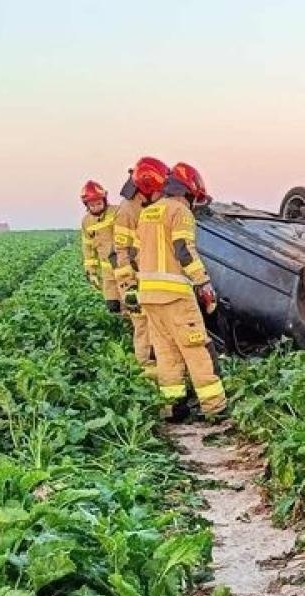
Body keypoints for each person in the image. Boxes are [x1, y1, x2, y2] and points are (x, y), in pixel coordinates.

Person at [129, 159, 227, 422]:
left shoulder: (146, 214)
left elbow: (135, 255)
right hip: (175, 295)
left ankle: (173, 407)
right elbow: (184, 249)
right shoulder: (179, 212)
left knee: (165, 353)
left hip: (149, 296)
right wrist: (203, 282)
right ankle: (214, 407)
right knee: (196, 348)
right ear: (189, 192)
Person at [109, 159, 159, 375]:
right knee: (142, 326)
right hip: (134, 279)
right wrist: (130, 288)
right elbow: (121, 253)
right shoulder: (128, 211)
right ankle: (146, 370)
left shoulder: (144, 206)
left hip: (148, 276)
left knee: (154, 324)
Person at [78, 180, 121, 313]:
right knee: (113, 306)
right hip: (107, 270)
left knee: (133, 303)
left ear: (104, 200)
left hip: (125, 265)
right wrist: (91, 272)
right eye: (92, 205)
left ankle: (134, 329)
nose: (96, 207)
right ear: (86, 205)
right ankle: (122, 329)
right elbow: (88, 249)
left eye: (99, 203)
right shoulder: (86, 222)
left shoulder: (117, 212)